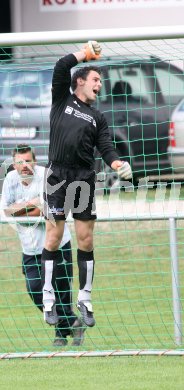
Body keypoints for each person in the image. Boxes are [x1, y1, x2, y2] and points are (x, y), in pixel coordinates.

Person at [42, 41, 132, 328]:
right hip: (57, 176)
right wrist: (85, 53)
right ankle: (49, 297)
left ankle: (85, 296)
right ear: (80, 81)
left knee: (86, 240)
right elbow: (61, 66)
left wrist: (118, 163)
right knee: (54, 239)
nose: (100, 85)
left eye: (101, 82)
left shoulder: (98, 118)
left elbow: (106, 148)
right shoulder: (61, 99)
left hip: (83, 180)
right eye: (96, 79)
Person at [1, 144, 85, 347]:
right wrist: (34, 203)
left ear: (35, 161)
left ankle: (60, 335)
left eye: (27, 161)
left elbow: (50, 210)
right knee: (34, 288)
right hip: (29, 249)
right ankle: (72, 323)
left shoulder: (47, 177)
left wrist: (22, 209)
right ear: (14, 164)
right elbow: (6, 211)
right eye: (19, 162)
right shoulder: (10, 180)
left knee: (60, 291)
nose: (24, 166)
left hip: (56, 244)